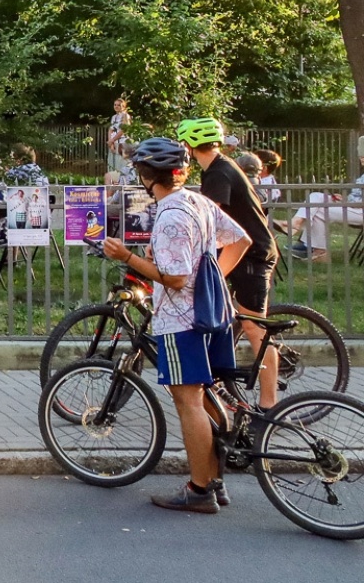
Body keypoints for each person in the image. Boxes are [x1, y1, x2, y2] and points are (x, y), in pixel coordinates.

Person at [101, 137, 249, 514]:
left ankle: (199, 491)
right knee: (208, 398)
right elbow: (240, 240)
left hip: (182, 321)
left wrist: (127, 256)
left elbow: (176, 279)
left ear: (148, 176)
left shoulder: (170, 215)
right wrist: (211, 279)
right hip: (213, 314)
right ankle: (215, 482)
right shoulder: (197, 201)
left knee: (189, 402)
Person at [177, 118, 279, 410]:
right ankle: (218, 382)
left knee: (254, 327)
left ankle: (269, 405)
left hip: (252, 256)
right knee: (222, 312)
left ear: (189, 145)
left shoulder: (219, 173)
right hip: (241, 252)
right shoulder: (219, 167)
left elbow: (209, 220)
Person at [289, 150, 364, 263]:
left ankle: (318, 251)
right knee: (315, 197)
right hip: (353, 205)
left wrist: (349, 202)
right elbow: (358, 196)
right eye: (361, 155)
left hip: (360, 211)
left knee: (318, 211)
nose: (361, 157)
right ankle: (296, 222)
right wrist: (345, 199)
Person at [107, 98, 132, 171]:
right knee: (113, 164)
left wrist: (113, 140)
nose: (116, 106)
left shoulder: (125, 116)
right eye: (115, 105)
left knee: (123, 163)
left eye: (119, 105)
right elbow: (110, 130)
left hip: (123, 142)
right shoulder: (114, 117)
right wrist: (111, 142)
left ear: (123, 107)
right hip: (114, 142)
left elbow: (124, 130)